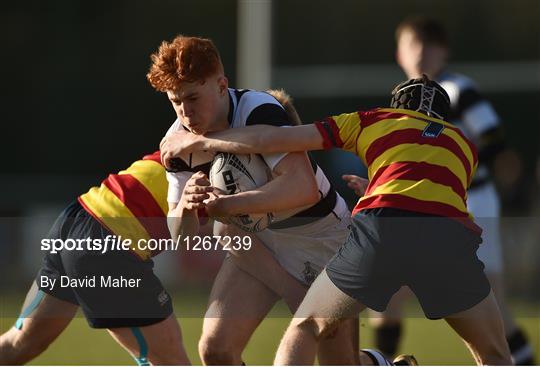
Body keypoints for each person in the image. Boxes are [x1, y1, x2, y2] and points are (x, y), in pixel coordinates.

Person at [160, 75, 514, 365]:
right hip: (446, 237)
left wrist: (199, 139)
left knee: (308, 329)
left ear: (396, 109)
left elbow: (273, 137)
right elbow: (425, 192)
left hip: (379, 229)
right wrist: (380, 187)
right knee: (495, 353)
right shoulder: (463, 144)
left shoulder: (375, 119)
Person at [150, 35, 407, 365]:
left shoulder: (258, 110)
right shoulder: (175, 144)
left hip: (320, 235)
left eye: (193, 97)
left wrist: (227, 206)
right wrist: (185, 205)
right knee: (216, 350)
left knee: (339, 363)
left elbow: (302, 189)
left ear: (220, 85)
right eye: (175, 101)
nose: (186, 111)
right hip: (257, 244)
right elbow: (181, 237)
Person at [347, 16, 534, 365]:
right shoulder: (403, 101)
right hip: (418, 205)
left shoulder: (458, 91)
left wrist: (454, 174)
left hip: (469, 200)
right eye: (412, 44)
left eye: (428, 44)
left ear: (443, 52)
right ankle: (385, 361)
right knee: (387, 294)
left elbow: (492, 139)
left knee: (491, 301)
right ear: (399, 53)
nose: (420, 52)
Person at [0, 152, 191, 365]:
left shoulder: (199, 136)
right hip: (108, 241)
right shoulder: (203, 139)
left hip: (79, 218)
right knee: (170, 362)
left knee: (19, 343)